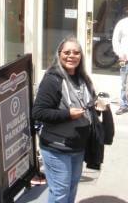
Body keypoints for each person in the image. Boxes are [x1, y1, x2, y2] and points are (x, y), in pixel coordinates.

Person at [32, 36, 97, 203]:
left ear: (81, 56)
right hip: (56, 147)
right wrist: (67, 115)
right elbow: (38, 112)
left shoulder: (83, 78)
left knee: (71, 188)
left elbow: (88, 101)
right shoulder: (52, 79)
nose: (71, 56)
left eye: (76, 52)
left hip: (77, 146)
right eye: (67, 52)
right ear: (59, 54)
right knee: (60, 193)